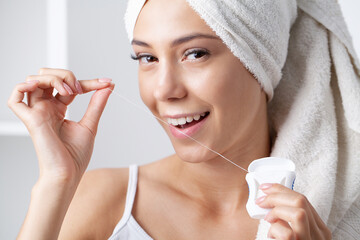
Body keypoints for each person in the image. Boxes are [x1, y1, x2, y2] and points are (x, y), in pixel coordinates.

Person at [8, 0, 360, 239]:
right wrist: (56, 180)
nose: (164, 90)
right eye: (146, 58)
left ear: (259, 61)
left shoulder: (328, 214)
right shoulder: (105, 200)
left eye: (195, 53)